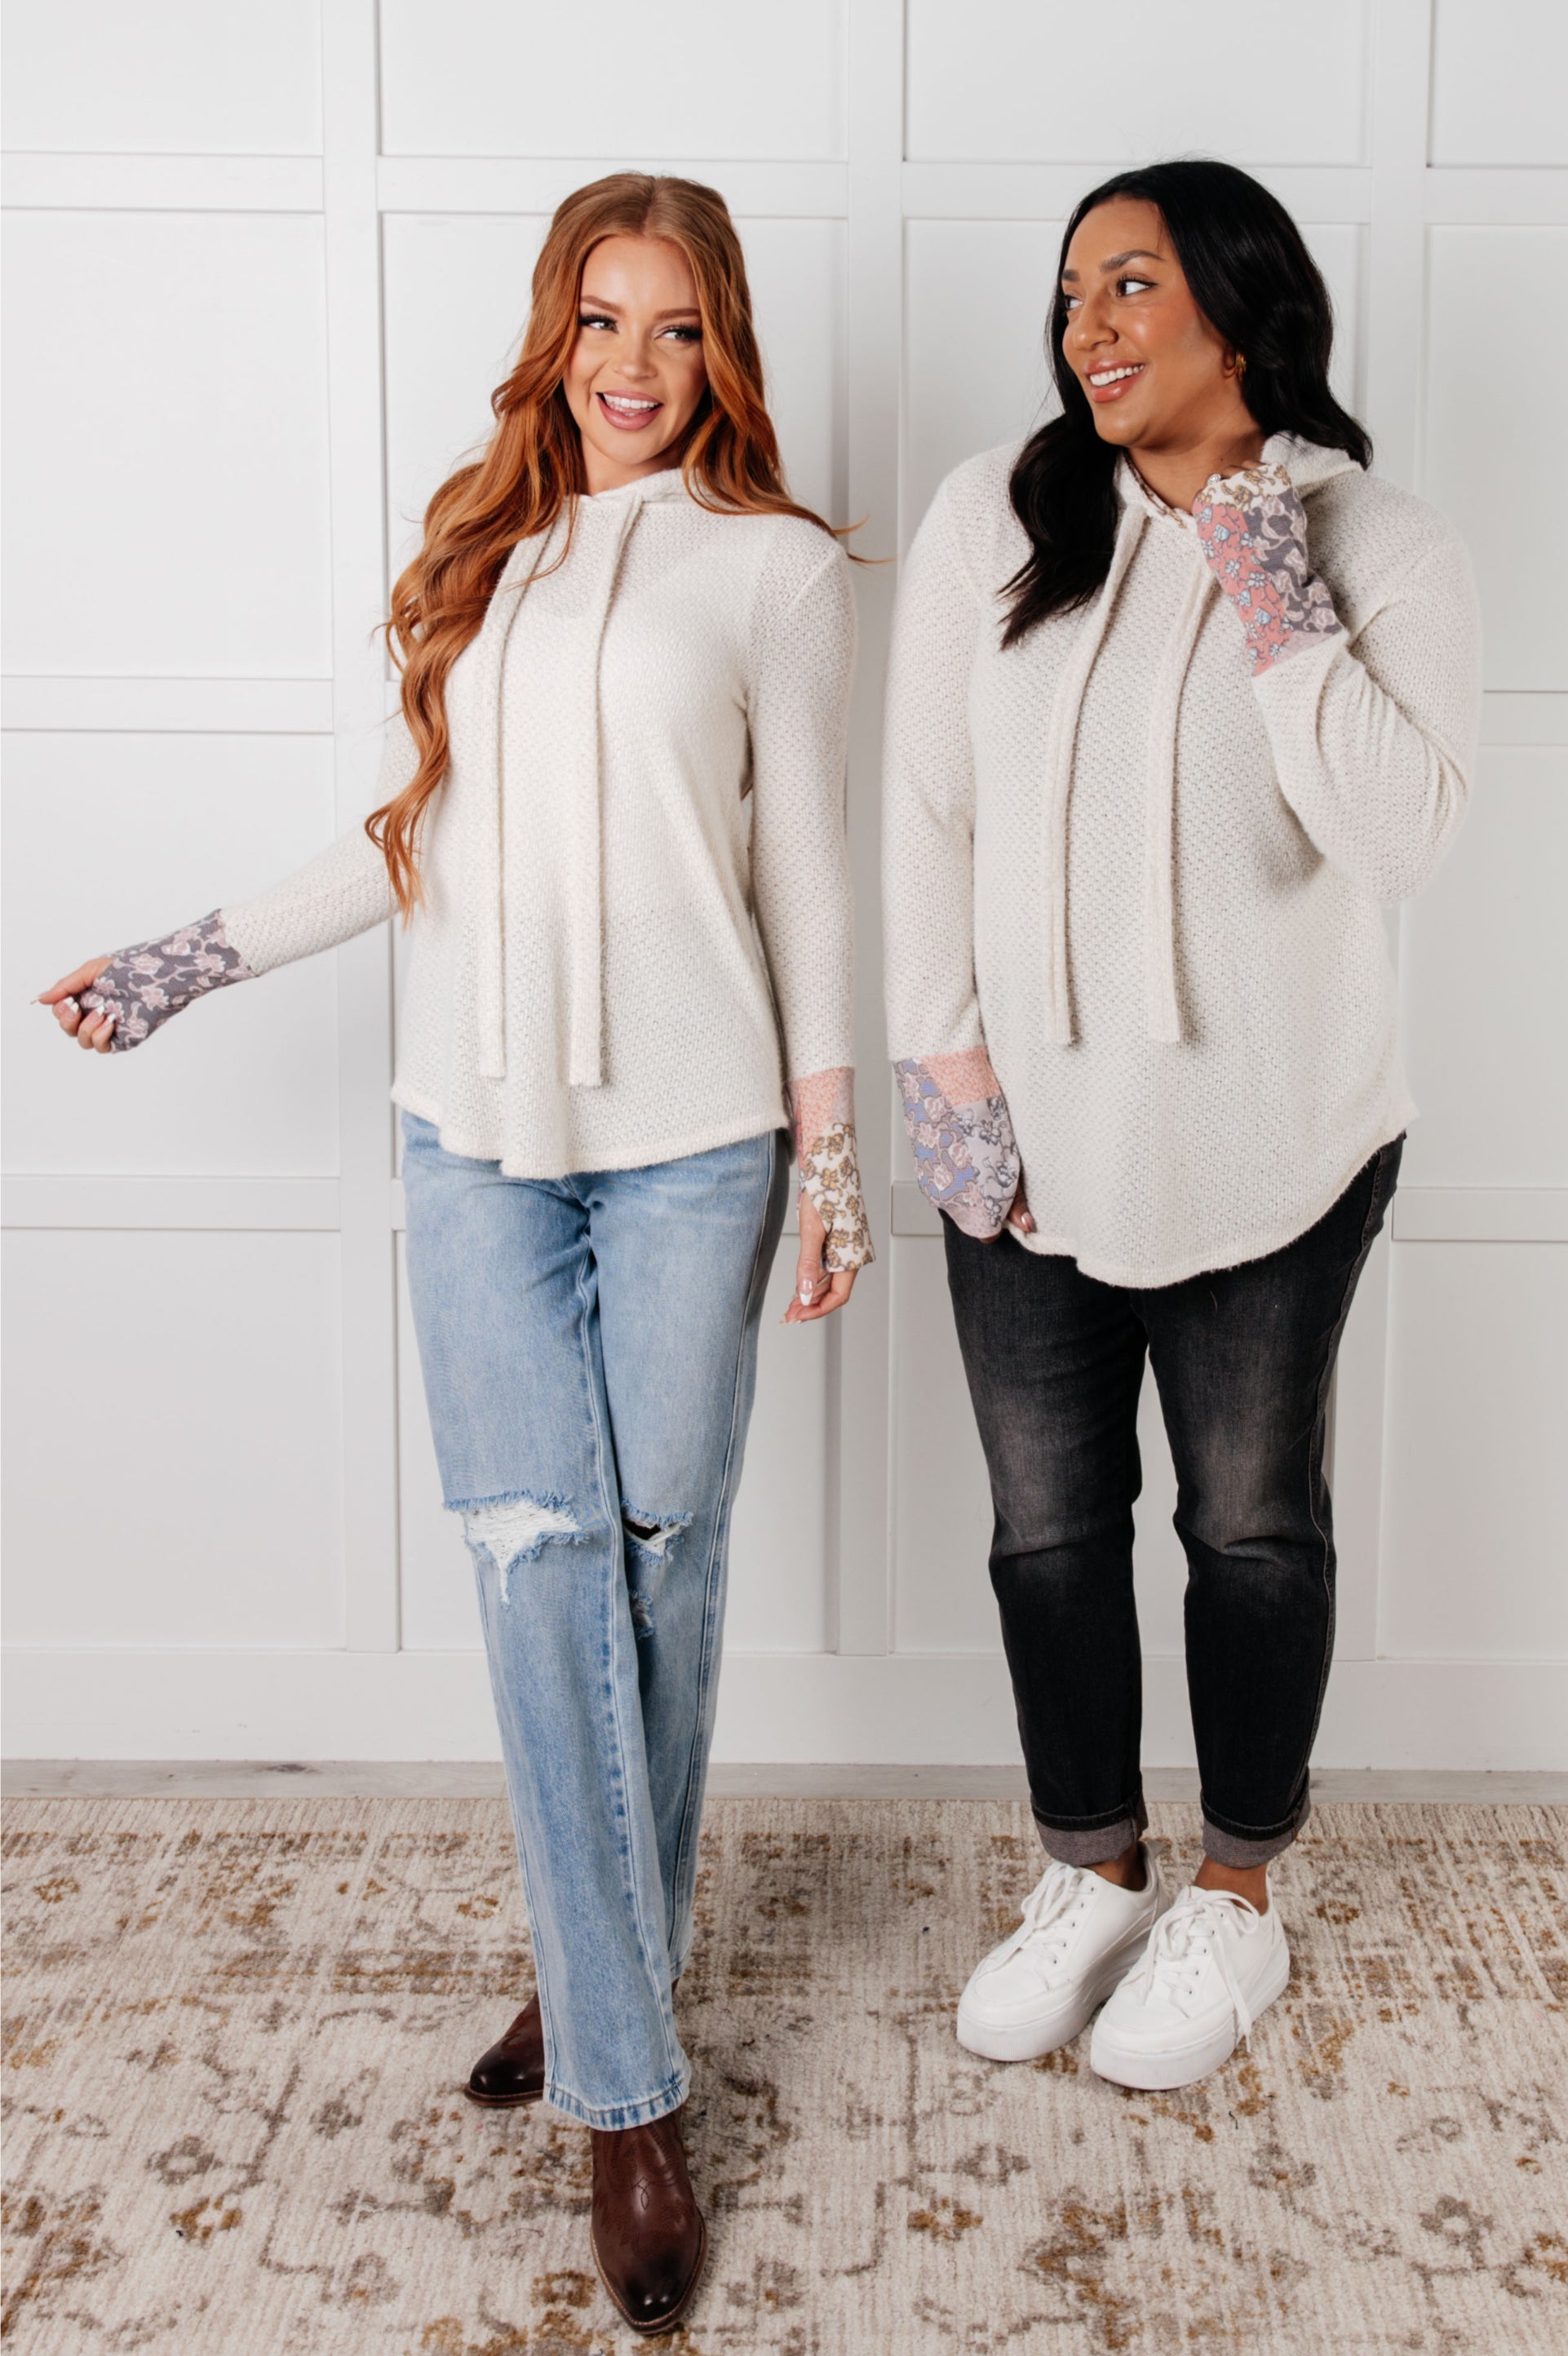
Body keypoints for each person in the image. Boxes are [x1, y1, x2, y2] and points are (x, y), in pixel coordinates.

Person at [41, 172, 870, 2334]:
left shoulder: (780, 576)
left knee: (656, 1570)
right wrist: (189, 958)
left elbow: (824, 886)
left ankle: (587, 1975)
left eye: (672, 329)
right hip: (477, 1154)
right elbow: (406, 832)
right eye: (599, 320)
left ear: (721, 354)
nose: (627, 365)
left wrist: (838, 1153)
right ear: (550, 332)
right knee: (535, 1563)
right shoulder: (486, 554)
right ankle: (629, 2090)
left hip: (696, 1146)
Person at [883, 158, 1479, 2095]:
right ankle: (1090, 1875)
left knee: (1248, 1530)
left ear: (1241, 301)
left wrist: (1266, 580)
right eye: (1069, 292)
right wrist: (944, 1072)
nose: (1089, 326)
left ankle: (1233, 1884)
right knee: (1046, 1533)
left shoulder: (1373, 539)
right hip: (1026, 1140)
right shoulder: (1000, 510)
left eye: (1131, 284)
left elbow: (1400, 839)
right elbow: (921, 813)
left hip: (1273, 1142)